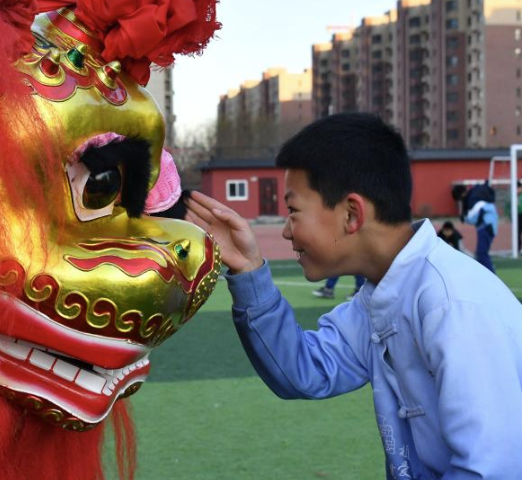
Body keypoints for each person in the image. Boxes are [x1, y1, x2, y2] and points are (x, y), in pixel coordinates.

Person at [185, 113, 522, 479]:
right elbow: (304, 370)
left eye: (293, 211)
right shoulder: (383, 294)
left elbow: (491, 470)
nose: (286, 231)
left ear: (351, 214)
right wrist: (249, 271)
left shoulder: (453, 305)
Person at [462, 182, 498, 272]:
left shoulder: (477, 202)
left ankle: (491, 276)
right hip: (488, 227)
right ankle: (486, 273)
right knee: (481, 253)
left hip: (486, 227)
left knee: (482, 253)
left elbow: (472, 218)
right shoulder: (483, 200)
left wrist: (465, 218)